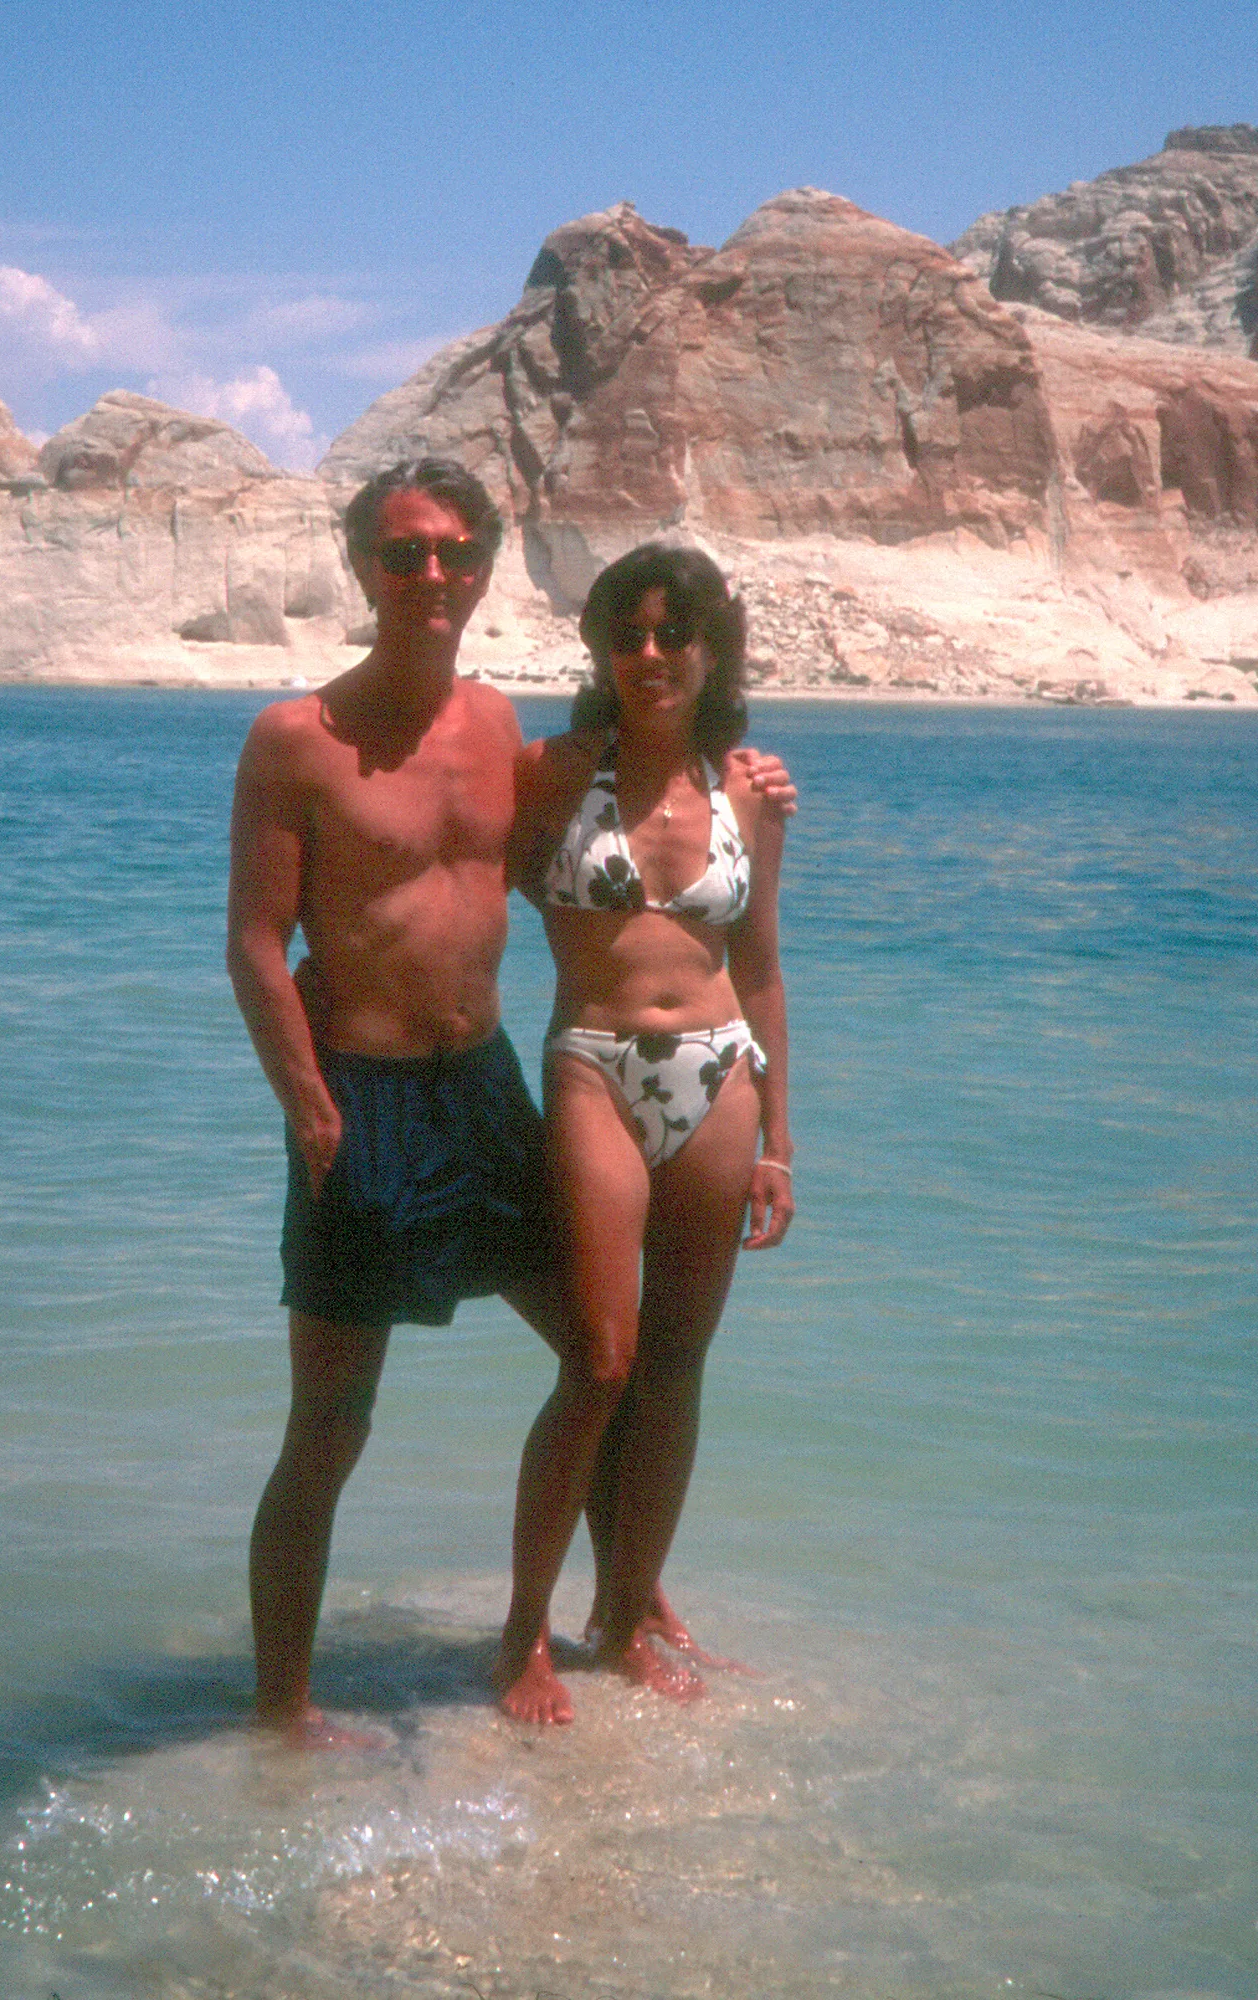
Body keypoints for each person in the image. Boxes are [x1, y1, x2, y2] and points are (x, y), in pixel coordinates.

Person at [226, 464, 788, 1745]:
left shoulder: (501, 732)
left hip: (481, 1091)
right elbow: (257, 943)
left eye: (453, 553)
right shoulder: (292, 738)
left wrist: (734, 760)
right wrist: (308, 1103)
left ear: (482, 568)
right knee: (331, 1420)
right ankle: (281, 1710)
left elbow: (618, 847)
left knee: (610, 1357)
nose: (430, 576)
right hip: (356, 1100)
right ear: (362, 561)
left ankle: (623, 1603)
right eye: (402, 552)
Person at [493, 542, 794, 1727]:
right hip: (594, 1065)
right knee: (600, 1361)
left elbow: (761, 961)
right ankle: (526, 1632)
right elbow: (462, 887)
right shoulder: (553, 777)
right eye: (629, 634)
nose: (651, 655)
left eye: (675, 634)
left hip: (719, 1075)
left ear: (711, 650)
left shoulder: (750, 793)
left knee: (675, 1370)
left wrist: (781, 1136)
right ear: (602, 650)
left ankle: (622, 1620)